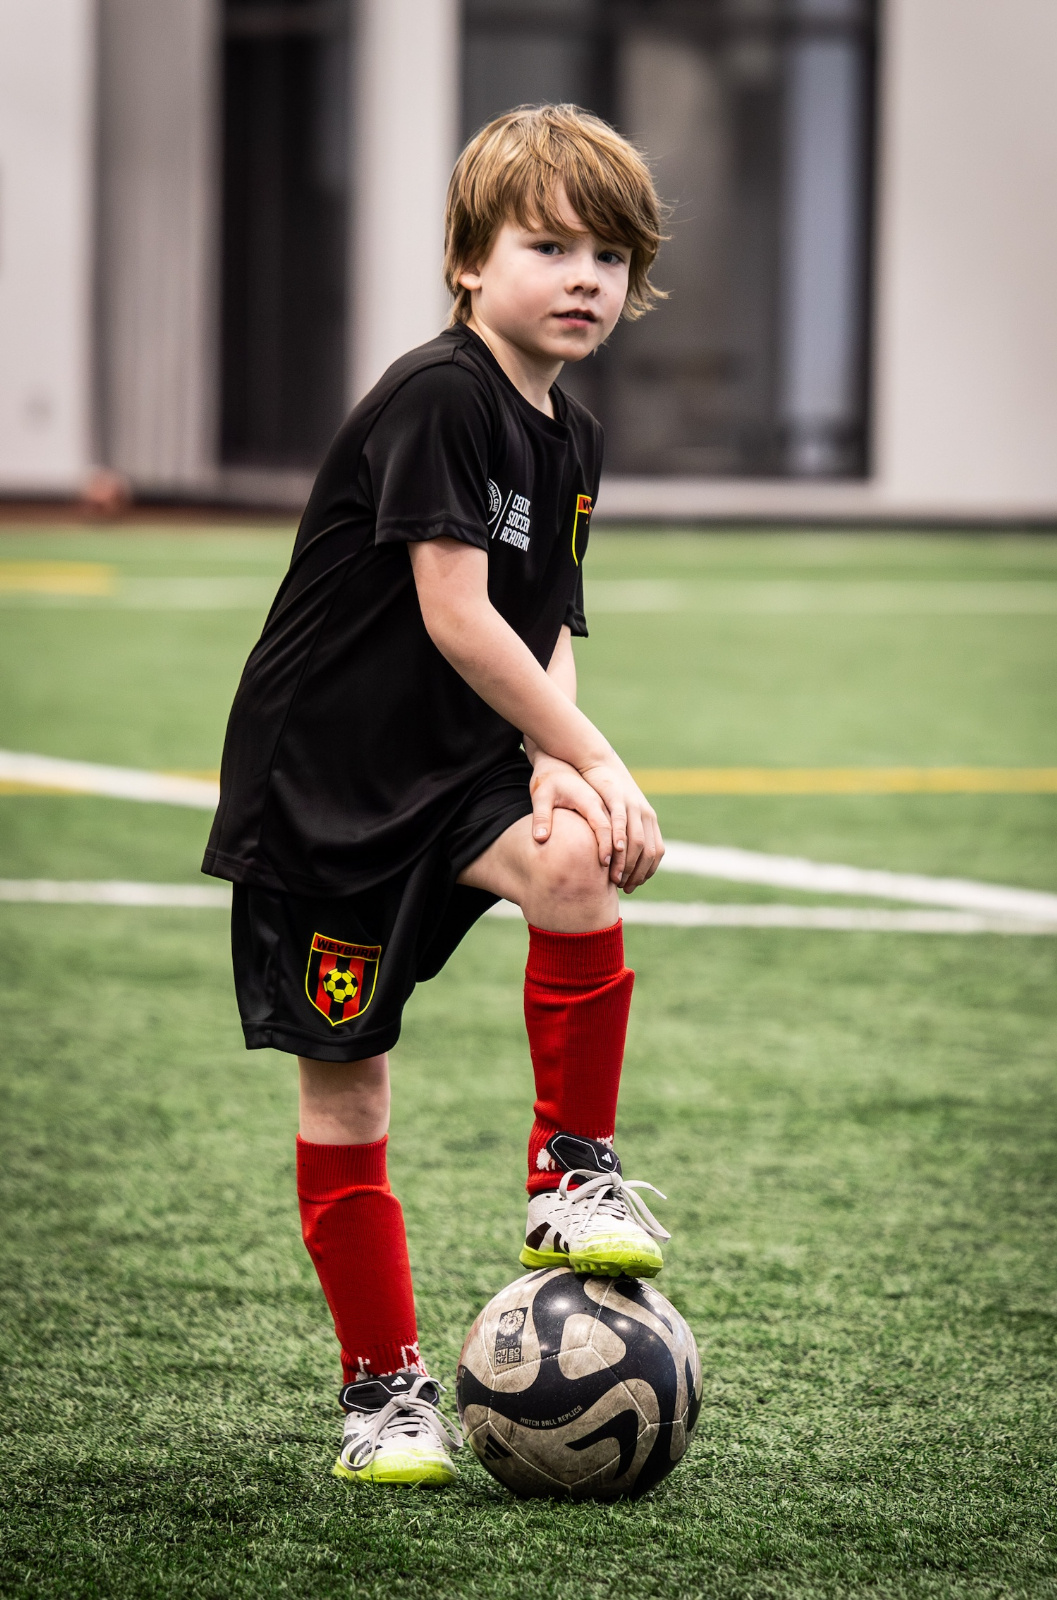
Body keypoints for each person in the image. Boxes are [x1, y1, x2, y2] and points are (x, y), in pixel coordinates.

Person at [203, 103, 668, 1488]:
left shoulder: (570, 436)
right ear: (469, 261)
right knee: (350, 1095)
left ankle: (569, 1173)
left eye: (609, 256)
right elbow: (459, 615)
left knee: (573, 858)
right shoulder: (440, 396)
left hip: (457, 768)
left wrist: (556, 761)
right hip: (326, 796)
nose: (583, 279)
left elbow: (544, 621)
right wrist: (598, 756)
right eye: (548, 247)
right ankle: (383, 1393)